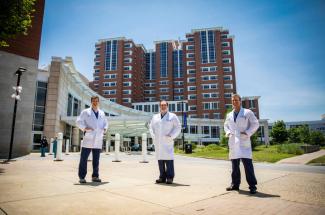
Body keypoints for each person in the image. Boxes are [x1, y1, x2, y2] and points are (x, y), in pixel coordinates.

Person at [224, 94, 260, 194]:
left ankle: (252, 186)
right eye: (232, 100)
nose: (234, 102)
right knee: (234, 166)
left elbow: (255, 124)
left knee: (248, 166)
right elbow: (226, 125)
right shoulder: (229, 114)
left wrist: (248, 132)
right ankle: (235, 185)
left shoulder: (247, 112)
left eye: (236, 100)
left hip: (244, 142)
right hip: (233, 141)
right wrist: (227, 132)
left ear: (240, 101)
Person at [76, 96, 108, 183]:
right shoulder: (86, 112)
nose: (95, 103)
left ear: (98, 102)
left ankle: (95, 176)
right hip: (89, 138)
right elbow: (78, 121)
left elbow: (106, 123)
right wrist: (85, 128)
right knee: (84, 158)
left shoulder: (102, 113)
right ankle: (82, 177)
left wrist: (105, 128)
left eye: (97, 101)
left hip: (98, 138)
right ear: (91, 102)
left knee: (96, 159)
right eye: (94, 101)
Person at [149, 100, 181, 184]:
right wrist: (153, 136)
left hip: (167, 141)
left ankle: (170, 177)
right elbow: (151, 127)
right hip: (158, 142)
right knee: (160, 160)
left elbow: (178, 127)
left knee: (169, 159)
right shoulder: (155, 117)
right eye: (161, 105)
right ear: (159, 106)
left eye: (164, 105)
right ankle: (162, 177)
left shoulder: (172, 116)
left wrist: (171, 136)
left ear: (167, 106)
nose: (163, 107)